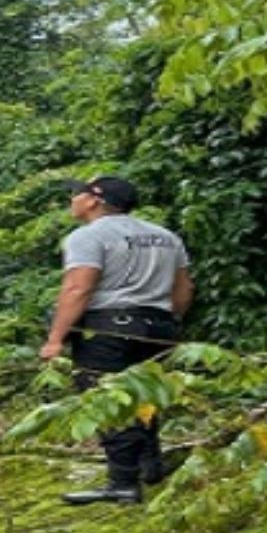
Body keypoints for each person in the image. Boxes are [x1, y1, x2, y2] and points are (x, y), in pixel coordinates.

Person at [38, 175, 194, 505]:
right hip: (160, 325)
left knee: (109, 400)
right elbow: (183, 289)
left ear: (94, 199)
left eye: (75, 194)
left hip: (110, 326)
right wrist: (170, 321)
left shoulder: (87, 236)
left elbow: (79, 288)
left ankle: (122, 481)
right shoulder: (166, 237)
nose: (72, 200)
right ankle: (150, 465)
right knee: (145, 394)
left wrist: (55, 338)